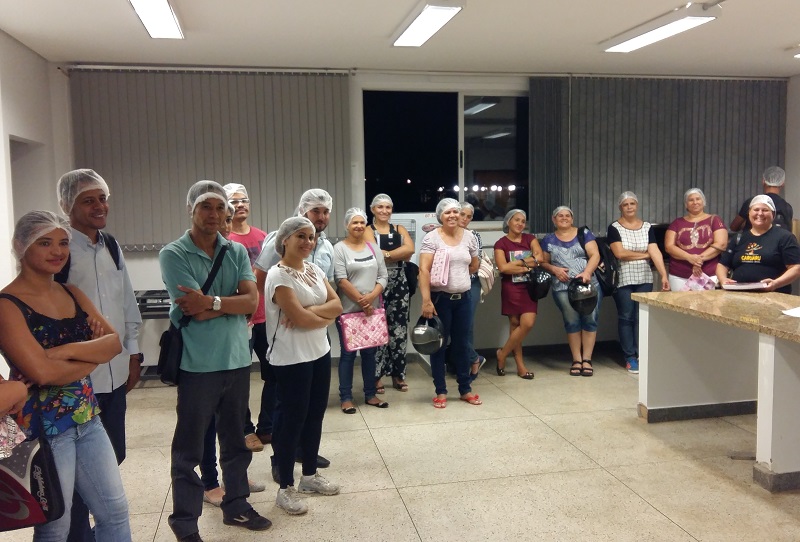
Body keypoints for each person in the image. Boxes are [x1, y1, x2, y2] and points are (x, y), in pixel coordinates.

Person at [0, 210, 131, 541]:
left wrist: (61, 352)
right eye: (45, 243)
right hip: (44, 431)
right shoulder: (7, 304)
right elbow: (41, 373)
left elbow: (114, 344)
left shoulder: (71, 292)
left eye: (62, 243)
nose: (57, 251)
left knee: (114, 512)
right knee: (55, 523)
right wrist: (88, 352)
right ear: (19, 246)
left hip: (88, 418)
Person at [159, 181, 270, 540]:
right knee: (189, 448)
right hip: (197, 366)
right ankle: (185, 522)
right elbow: (191, 309)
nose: (213, 214)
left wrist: (213, 303)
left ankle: (236, 505)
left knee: (236, 442)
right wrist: (226, 304)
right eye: (205, 207)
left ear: (227, 212)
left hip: (237, 360)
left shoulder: (234, 251)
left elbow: (251, 302)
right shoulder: (173, 254)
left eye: (219, 207)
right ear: (192, 210)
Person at [55, 169, 143, 542]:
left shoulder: (110, 245)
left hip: (114, 372)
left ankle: (92, 527)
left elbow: (126, 300)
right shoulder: (58, 248)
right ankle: (79, 535)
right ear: (67, 205)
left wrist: (135, 353)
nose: (99, 206)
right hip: (76, 380)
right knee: (74, 476)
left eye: (102, 198)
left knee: (113, 455)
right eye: (88, 200)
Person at [254, 189, 335, 478]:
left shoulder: (323, 248)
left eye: (325, 212)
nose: (321, 217)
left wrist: (308, 314)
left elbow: (333, 301)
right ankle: (281, 462)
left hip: (316, 338)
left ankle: (306, 459)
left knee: (313, 409)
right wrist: (278, 312)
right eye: (315, 211)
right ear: (302, 211)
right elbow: (262, 278)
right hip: (284, 335)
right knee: (287, 406)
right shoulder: (280, 243)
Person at [265, 216, 343, 516]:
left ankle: (309, 476)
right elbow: (298, 320)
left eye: (311, 237)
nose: (308, 242)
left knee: (315, 415)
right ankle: (285, 488)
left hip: (320, 351)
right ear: (285, 239)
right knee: (290, 422)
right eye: (301, 236)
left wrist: (310, 311)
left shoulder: (313, 269)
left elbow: (337, 304)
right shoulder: (278, 275)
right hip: (291, 358)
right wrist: (314, 315)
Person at [419, 198, 481, 408]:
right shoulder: (432, 238)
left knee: (463, 344)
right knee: (439, 346)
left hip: (463, 299)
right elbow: (424, 270)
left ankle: (465, 388)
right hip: (440, 300)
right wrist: (426, 300)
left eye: (456, 211)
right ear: (440, 217)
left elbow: (474, 264)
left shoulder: (470, 237)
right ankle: (441, 390)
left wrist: (459, 279)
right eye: (448, 213)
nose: (453, 215)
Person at [222, 183, 270, 453]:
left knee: (273, 374)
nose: (241, 205)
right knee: (239, 380)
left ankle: (267, 425)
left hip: (266, 317)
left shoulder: (263, 237)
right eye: (235, 201)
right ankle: (245, 429)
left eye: (244, 200)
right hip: (241, 320)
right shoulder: (225, 239)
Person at [607, 191, 670, 374]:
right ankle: (630, 357)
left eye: (632, 204)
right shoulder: (614, 228)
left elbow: (655, 251)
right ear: (620, 207)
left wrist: (663, 275)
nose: (629, 207)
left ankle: (642, 354)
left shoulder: (647, 227)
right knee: (626, 317)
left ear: (637, 205)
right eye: (625, 204)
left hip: (644, 277)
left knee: (641, 316)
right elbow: (620, 253)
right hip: (623, 278)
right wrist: (644, 255)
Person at [334, 207, 389, 413]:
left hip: (371, 312)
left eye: (361, 222)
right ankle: (346, 397)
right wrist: (361, 301)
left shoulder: (373, 248)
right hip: (348, 312)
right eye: (354, 222)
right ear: (347, 225)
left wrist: (371, 298)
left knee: (369, 354)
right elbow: (341, 279)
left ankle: (370, 394)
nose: (358, 226)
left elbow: (383, 276)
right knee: (348, 355)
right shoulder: (339, 249)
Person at [540, 206, 602, 376]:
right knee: (572, 320)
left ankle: (587, 360)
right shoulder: (548, 239)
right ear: (554, 219)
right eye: (560, 216)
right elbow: (543, 262)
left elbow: (595, 255)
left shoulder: (584, 234)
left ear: (572, 219)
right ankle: (576, 359)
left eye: (568, 216)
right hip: (562, 287)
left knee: (590, 319)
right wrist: (554, 269)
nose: (564, 218)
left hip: (588, 284)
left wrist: (587, 272)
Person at [364, 193, 414, 393]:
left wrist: (386, 255)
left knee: (399, 329)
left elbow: (410, 250)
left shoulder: (399, 229)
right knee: (377, 328)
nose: (384, 211)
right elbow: (373, 254)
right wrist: (395, 254)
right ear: (373, 209)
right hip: (377, 283)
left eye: (388, 207)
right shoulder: (368, 230)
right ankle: (376, 376)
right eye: (380, 207)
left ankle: (398, 374)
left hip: (400, 282)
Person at [717, 195, 800, 293]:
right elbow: (722, 265)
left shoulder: (785, 237)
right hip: (739, 296)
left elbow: (795, 267)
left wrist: (776, 283)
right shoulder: (739, 238)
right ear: (749, 213)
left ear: (773, 214)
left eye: (765, 210)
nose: (760, 213)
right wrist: (723, 280)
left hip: (774, 296)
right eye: (756, 209)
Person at [493, 209, 541, 379]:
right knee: (514, 326)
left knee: (527, 323)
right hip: (511, 288)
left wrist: (518, 265)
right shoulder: (501, 243)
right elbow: (504, 268)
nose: (520, 224)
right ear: (508, 222)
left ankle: (502, 354)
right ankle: (521, 366)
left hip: (529, 288)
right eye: (517, 220)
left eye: (523, 221)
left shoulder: (530, 239)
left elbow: (539, 258)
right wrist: (526, 263)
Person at [665, 188, 728, 291]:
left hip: (708, 274)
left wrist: (698, 260)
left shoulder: (714, 220)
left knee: (706, 306)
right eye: (691, 200)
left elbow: (721, 244)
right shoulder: (677, 223)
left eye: (698, 199)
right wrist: (689, 257)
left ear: (703, 202)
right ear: (686, 204)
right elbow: (669, 247)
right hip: (679, 276)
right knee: (679, 305)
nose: (695, 202)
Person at [456, 202, 486, 380]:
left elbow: (476, 263)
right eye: (462, 214)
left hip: (471, 283)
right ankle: (474, 358)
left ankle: (468, 363)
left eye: (468, 216)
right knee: (453, 328)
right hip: (449, 286)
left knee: (467, 326)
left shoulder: (474, 235)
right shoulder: (443, 234)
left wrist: (457, 273)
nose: (464, 219)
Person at [730, 166, 793, 232]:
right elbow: (788, 231)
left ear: (763, 181)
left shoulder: (752, 202)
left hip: (752, 241)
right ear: (782, 184)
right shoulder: (787, 207)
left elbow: (734, 227)